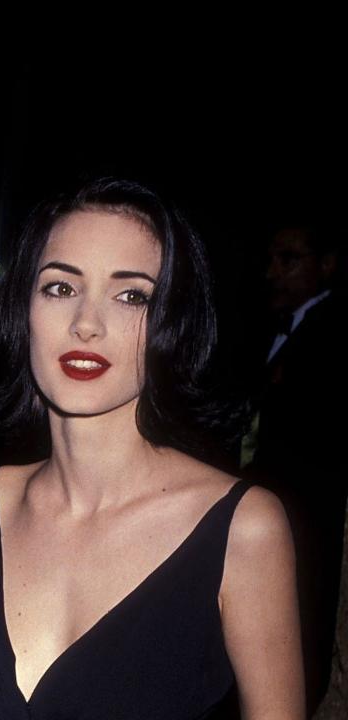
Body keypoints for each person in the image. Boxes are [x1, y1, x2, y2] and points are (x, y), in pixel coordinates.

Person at [0, 177, 304, 718]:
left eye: (131, 296)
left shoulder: (243, 528)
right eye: (60, 288)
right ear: (22, 310)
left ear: (173, 321)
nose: (87, 325)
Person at [242, 224, 347, 713]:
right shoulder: (274, 326)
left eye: (290, 260)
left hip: (306, 523)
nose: (272, 273)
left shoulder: (330, 336)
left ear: (327, 265)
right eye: (272, 260)